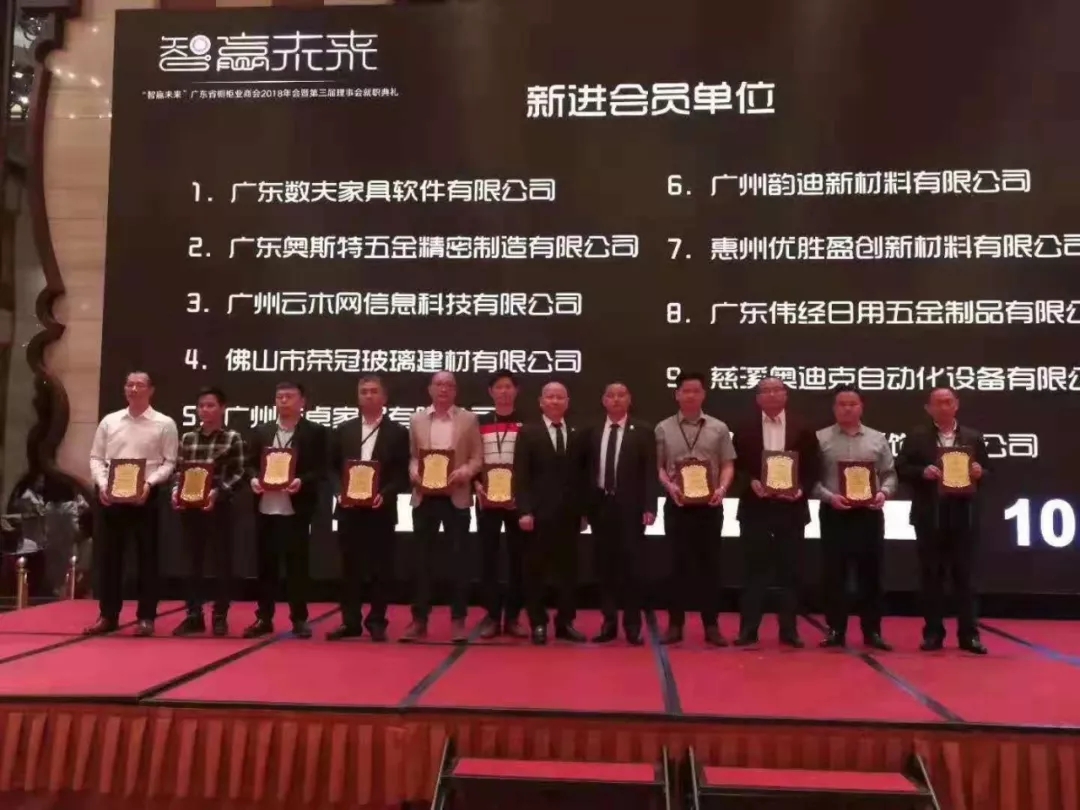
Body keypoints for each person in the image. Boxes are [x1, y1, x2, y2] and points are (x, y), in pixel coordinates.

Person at [84, 371, 178, 636]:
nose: (134, 389)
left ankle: (146, 617)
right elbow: (96, 458)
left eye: (139, 385)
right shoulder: (110, 421)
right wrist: (102, 484)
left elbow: (169, 462)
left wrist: (149, 484)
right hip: (111, 496)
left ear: (151, 390)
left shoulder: (164, 423)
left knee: (148, 559)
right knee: (109, 558)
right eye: (129, 384)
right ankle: (108, 615)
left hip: (146, 496)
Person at [897, 387, 989, 654]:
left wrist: (980, 472)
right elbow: (901, 468)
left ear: (957, 405)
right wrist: (921, 472)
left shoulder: (973, 437)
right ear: (928, 408)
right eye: (938, 403)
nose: (944, 406)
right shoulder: (916, 437)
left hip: (963, 516)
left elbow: (991, 472)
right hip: (930, 516)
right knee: (931, 578)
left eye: (948, 401)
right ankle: (933, 634)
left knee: (965, 579)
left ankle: (969, 635)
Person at [732, 377, 819, 647]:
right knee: (753, 570)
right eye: (765, 391)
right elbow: (735, 467)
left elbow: (814, 467)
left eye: (776, 390)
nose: (771, 394)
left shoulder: (804, 428)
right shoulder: (744, 429)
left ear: (786, 395)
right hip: (755, 508)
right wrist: (750, 482)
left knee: (790, 572)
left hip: (791, 509)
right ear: (758, 398)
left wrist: (800, 489)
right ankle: (748, 630)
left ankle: (789, 631)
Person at [326, 375, 410, 642]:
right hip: (348, 509)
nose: (369, 395)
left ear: (384, 398)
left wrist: (385, 494)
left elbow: (402, 474)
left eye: (374, 391)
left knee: (380, 568)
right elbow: (330, 468)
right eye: (364, 391)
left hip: (381, 509)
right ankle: (349, 622)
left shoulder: (398, 432)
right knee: (349, 568)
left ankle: (376, 621)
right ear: (358, 397)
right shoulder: (344, 430)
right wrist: (339, 492)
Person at [814, 385, 897, 651]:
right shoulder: (820, 438)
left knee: (870, 574)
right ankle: (835, 630)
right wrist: (829, 497)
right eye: (842, 404)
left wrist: (884, 493)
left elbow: (889, 474)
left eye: (852, 404)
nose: (847, 409)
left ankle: (872, 631)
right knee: (834, 574)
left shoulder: (877, 438)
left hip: (869, 514)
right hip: (834, 512)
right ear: (834, 408)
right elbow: (811, 479)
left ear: (862, 407)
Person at [654, 371, 734, 646]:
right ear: (677, 394)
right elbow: (659, 467)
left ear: (704, 394)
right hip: (677, 504)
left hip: (710, 506)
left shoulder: (719, 428)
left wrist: (722, 489)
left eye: (696, 390)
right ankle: (675, 625)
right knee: (676, 566)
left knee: (710, 566)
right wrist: (669, 487)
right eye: (685, 390)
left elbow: (727, 464)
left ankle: (711, 625)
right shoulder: (663, 428)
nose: (690, 395)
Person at [243, 381, 328, 639]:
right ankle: (264, 617)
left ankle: (299, 618)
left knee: (297, 567)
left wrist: (302, 480)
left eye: (289, 397)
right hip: (266, 507)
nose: (283, 401)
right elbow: (249, 464)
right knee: (265, 567)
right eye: (279, 397)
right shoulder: (261, 431)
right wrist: (253, 479)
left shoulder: (314, 432)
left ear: (302, 402)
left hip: (296, 508)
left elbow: (321, 469)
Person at [404, 371, 484, 643]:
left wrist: (464, 472)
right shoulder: (416, 419)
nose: (443, 389)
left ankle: (458, 620)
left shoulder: (469, 419)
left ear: (455, 391)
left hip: (456, 495)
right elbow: (413, 457)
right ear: (430, 389)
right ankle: (419, 620)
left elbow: (477, 458)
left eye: (449, 385)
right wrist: (414, 472)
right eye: (439, 384)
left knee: (458, 561)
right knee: (421, 561)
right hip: (424, 496)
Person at [581, 382, 659, 645]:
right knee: (605, 567)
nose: (616, 399)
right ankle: (609, 622)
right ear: (603, 400)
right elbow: (583, 472)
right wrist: (584, 509)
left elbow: (649, 472)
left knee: (632, 568)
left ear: (629, 399)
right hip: (600, 506)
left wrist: (650, 506)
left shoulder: (643, 431)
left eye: (621, 395)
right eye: (611, 395)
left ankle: (633, 625)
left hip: (632, 508)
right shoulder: (591, 431)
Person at [514, 380, 587, 645]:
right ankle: (538, 623)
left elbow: (583, 477)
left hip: (569, 516)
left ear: (567, 403)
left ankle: (565, 622)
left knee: (569, 572)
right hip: (537, 516)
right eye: (550, 397)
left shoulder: (577, 433)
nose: (555, 401)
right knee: (535, 572)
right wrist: (524, 510)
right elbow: (521, 475)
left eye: (560, 397)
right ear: (541, 402)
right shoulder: (528, 432)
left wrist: (583, 512)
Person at [170, 386, 245, 636]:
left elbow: (239, 473)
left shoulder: (232, 438)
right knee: (192, 563)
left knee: (222, 563)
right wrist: (176, 491)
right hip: (191, 507)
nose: (205, 410)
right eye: (201, 405)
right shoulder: (188, 438)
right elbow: (179, 470)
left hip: (219, 507)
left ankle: (220, 615)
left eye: (211, 405)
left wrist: (218, 492)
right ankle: (194, 615)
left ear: (222, 408)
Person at [474, 371, 527, 639]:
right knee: (489, 558)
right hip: (486, 498)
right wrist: (476, 484)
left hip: (517, 501)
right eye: (499, 387)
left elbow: (531, 462)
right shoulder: (479, 423)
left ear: (516, 391)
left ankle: (514, 616)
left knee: (519, 559)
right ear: (490, 392)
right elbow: (472, 457)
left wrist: (523, 493)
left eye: (508, 387)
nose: (504, 391)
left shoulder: (528, 423)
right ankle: (492, 615)